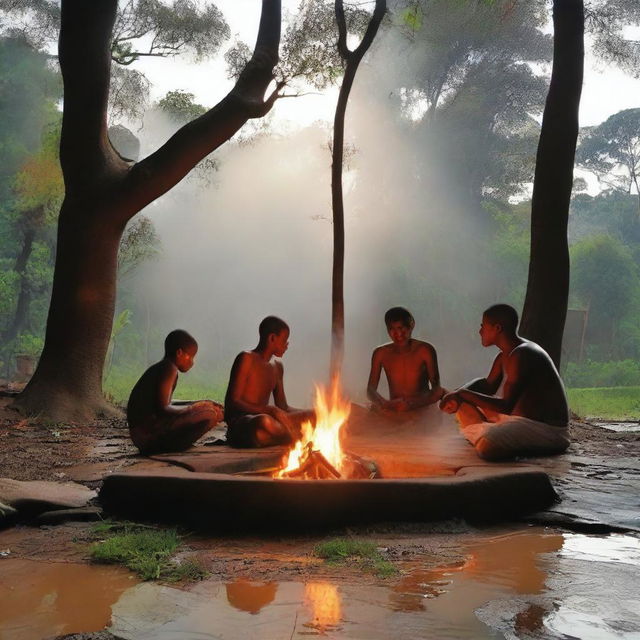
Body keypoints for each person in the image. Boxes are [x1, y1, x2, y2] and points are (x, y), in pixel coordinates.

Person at [439, 304, 570, 461]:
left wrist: (462, 393)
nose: (480, 331)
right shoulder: (504, 356)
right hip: (513, 423)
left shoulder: (523, 354)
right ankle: (489, 435)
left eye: (483, 326)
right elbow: (487, 385)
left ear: (497, 328)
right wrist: (457, 394)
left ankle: (488, 437)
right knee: (461, 403)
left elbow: (506, 406)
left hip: (546, 430)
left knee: (488, 445)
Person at [127, 329, 223, 455]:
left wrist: (200, 403)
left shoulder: (162, 367)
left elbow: (166, 404)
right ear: (179, 353)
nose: (192, 362)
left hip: (142, 437)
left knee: (207, 406)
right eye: (191, 357)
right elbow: (164, 408)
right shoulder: (169, 368)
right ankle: (175, 446)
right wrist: (193, 409)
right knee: (210, 413)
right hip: (149, 437)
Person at [224, 316, 314, 448]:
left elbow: (283, 407)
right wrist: (269, 410)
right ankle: (295, 434)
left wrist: (308, 413)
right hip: (244, 423)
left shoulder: (277, 367)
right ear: (272, 338)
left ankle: (284, 435)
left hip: (271, 425)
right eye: (284, 340)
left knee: (315, 415)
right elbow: (233, 402)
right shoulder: (246, 359)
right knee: (263, 422)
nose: (287, 345)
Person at [367, 306, 444, 414]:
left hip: (422, 412)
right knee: (349, 412)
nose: (398, 334)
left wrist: (412, 404)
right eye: (392, 329)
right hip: (395, 411)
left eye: (401, 328)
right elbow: (370, 390)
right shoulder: (380, 353)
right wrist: (383, 403)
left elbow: (437, 391)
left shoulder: (424, 350)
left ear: (411, 326)